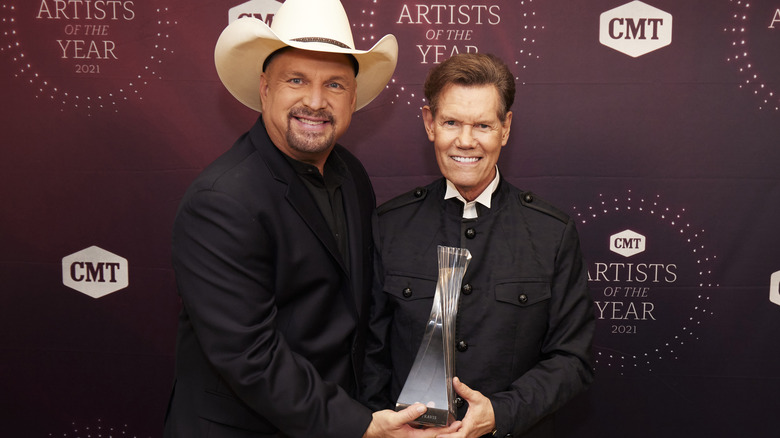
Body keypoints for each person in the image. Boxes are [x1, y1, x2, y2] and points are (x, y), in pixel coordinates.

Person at [163, 1, 459, 436]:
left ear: (353, 98)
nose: (316, 101)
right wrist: (359, 424)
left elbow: (361, 315)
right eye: (296, 80)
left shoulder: (351, 175)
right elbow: (251, 356)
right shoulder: (221, 201)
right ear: (265, 88)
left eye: (335, 84)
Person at [361, 53, 595, 438]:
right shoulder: (390, 225)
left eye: (483, 125)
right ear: (429, 123)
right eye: (451, 122)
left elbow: (572, 359)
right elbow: (370, 353)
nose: (466, 141)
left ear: (505, 129)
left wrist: (500, 414)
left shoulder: (552, 233)